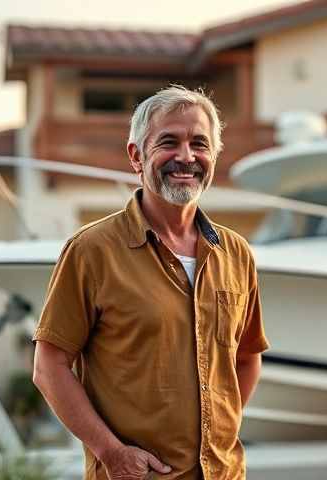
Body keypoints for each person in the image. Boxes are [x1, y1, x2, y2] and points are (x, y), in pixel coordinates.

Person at [32, 85, 270, 480]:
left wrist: (216, 435)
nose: (186, 157)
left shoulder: (237, 253)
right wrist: (111, 452)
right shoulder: (91, 250)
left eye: (199, 143)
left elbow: (246, 358)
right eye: (168, 142)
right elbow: (49, 367)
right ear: (136, 156)